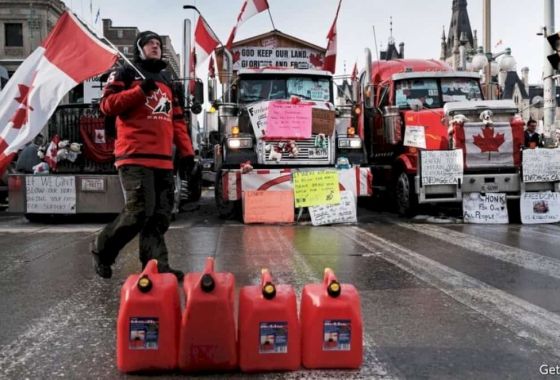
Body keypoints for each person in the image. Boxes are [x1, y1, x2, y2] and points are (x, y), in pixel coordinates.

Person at [91, 31, 194, 280]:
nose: (156, 47)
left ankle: (156, 266)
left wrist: (188, 153)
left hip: (163, 159)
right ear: (140, 48)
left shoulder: (168, 80)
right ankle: (102, 249)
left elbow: (177, 121)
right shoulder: (125, 73)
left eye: (158, 44)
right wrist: (139, 92)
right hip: (134, 155)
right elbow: (106, 105)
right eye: (150, 43)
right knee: (138, 213)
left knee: (160, 215)